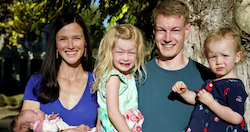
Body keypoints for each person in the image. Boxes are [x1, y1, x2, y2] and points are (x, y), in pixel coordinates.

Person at [137, 0, 215, 131]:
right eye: (162, 30)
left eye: (175, 30)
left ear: (187, 30)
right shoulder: (137, 75)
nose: (168, 38)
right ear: (154, 30)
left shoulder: (207, 78)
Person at [21, 14, 100, 132]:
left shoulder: (99, 83)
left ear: (85, 43)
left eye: (76, 38)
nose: (70, 46)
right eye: (63, 39)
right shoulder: (37, 82)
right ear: (56, 45)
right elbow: (23, 129)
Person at [172, 27, 248, 132]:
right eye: (213, 57)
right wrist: (184, 92)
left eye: (225, 55)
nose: (218, 61)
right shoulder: (211, 83)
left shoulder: (234, 86)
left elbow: (236, 117)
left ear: (237, 56)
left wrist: (211, 103)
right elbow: (198, 98)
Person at [92, 24, 146, 132]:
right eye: (120, 52)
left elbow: (100, 109)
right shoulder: (113, 78)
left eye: (131, 53)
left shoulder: (129, 75)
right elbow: (113, 113)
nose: (125, 58)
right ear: (110, 52)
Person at [10, 109, 98, 132]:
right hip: (69, 129)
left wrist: (52, 119)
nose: (37, 109)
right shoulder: (44, 126)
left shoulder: (45, 121)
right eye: (35, 113)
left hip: (69, 128)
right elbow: (54, 129)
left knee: (82, 127)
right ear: (36, 125)